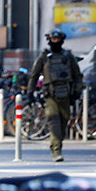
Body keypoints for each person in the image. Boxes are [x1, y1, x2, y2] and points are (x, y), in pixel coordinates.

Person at [26, 29, 82, 162]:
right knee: (54, 121)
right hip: (50, 95)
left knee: (64, 121)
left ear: (61, 41)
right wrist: (30, 92)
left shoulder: (68, 56)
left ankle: (57, 143)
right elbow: (34, 76)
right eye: (53, 40)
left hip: (66, 94)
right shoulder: (44, 57)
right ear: (49, 40)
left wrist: (77, 92)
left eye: (57, 40)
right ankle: (56, 150)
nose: (55, 42)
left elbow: (77, 75)